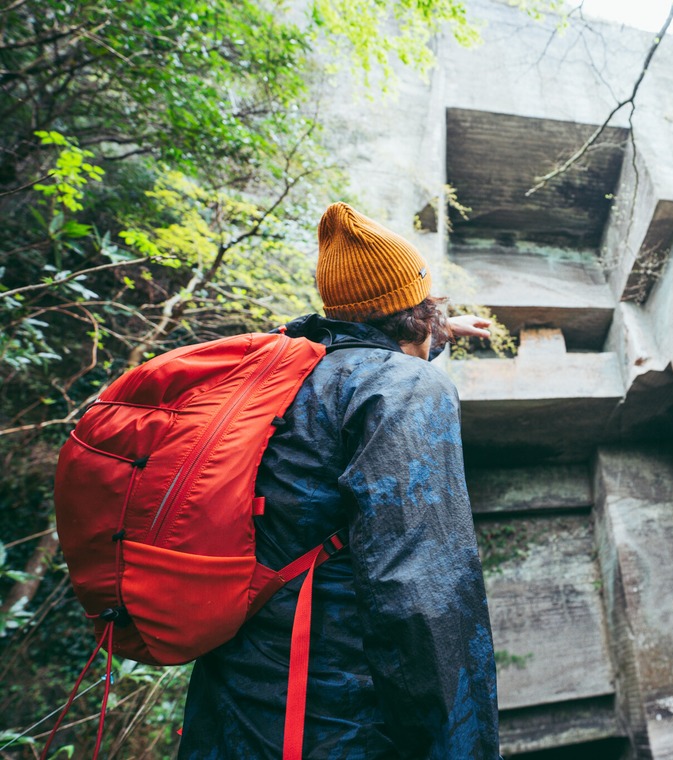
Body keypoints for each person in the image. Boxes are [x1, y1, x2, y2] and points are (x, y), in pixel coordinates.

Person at [179, 203, 500, 759]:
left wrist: (441, 332)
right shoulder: (406, 388)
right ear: (421, 316)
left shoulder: (292, 373)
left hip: (234, 690)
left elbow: (366, 351)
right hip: (329, 712)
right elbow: (423, 591)